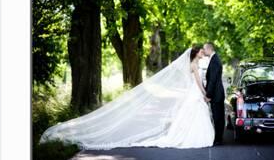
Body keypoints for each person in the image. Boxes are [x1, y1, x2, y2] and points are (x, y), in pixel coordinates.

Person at [40, 46, 215, 149]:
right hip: (195, 93)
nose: (202, 53)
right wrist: (204, 94)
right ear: (195, 54)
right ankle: (190, 138)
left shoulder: (194, 63)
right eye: (200, 51)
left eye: (202, 51)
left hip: (192, 93)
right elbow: (198, 82)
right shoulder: (193, 64)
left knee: (190, 116)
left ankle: (184, 136)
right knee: (194, 114)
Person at [203, 42, 226, 145]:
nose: (203, 51)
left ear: (209, 49)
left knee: (218, 117)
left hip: (216, 94)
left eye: (204, 49)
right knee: (218, 117)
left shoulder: (215, 60)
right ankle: (218, 138)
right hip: (217, 94)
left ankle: (218, 139)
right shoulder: (214, 59)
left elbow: (212, 80)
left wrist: (208, 95)